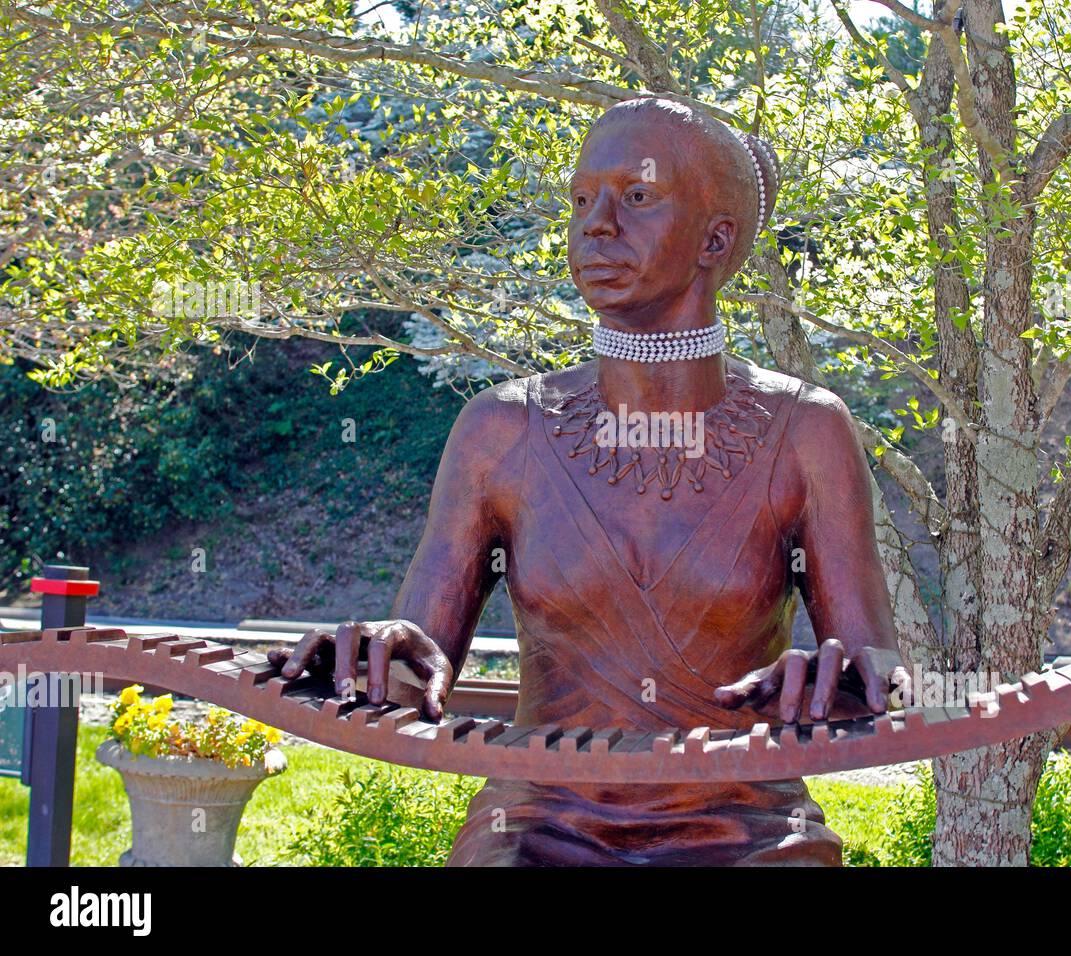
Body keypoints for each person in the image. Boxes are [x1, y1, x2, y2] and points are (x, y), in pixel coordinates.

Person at [269, 96, 912, 866]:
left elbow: (880, 674)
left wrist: (845, 681)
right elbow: (419, 674)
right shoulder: (500, 431)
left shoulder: (805, 430)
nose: (595, 224)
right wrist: (372, 660)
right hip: (541, 823)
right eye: (581, 199)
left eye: (637, 197)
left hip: (745, 829)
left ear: (717, 237)